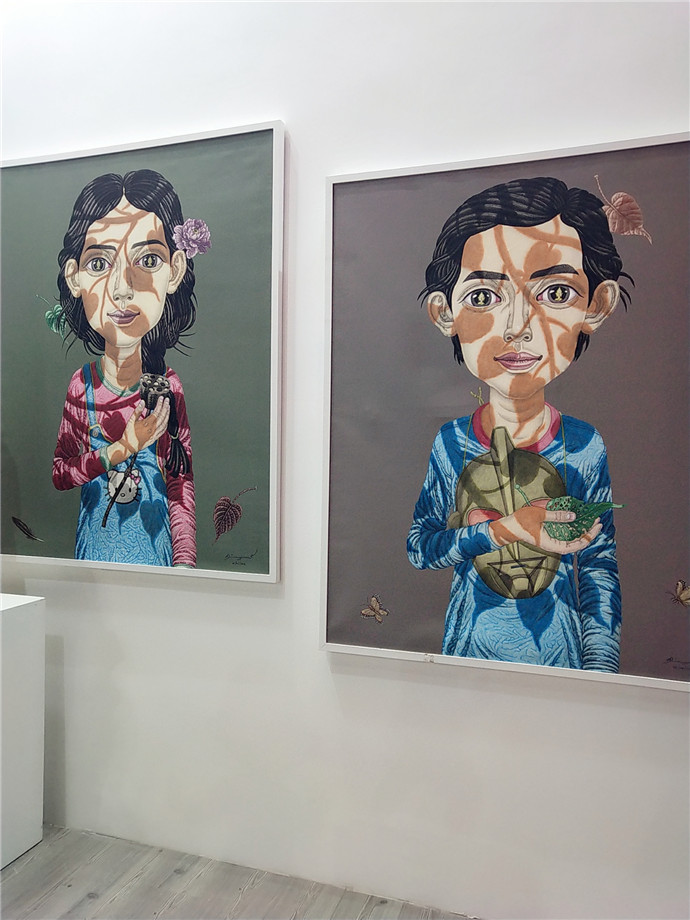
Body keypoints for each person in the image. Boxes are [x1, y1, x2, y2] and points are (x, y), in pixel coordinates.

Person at [407, 177, 629, 672]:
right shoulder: (452, 443)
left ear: (596, 305)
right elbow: (421, 548)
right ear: (444, 312)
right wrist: (506, 529)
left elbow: (599, 569)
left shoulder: (583, 446)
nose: (517, 326)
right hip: (466, 658)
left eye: (556, 292)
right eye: (484, 297)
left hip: (563, 661)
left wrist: (602, 676)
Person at [52, 168, 210, 567]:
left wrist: (185, 564)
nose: (122, 288)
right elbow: (61, 474)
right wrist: (123, 448)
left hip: (157, 562)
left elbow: (180, 483)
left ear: (174, 270)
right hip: (95, 565)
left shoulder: (167, 387)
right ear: (74, 277)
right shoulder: (83, 386)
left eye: (148, 260)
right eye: (99, 263)